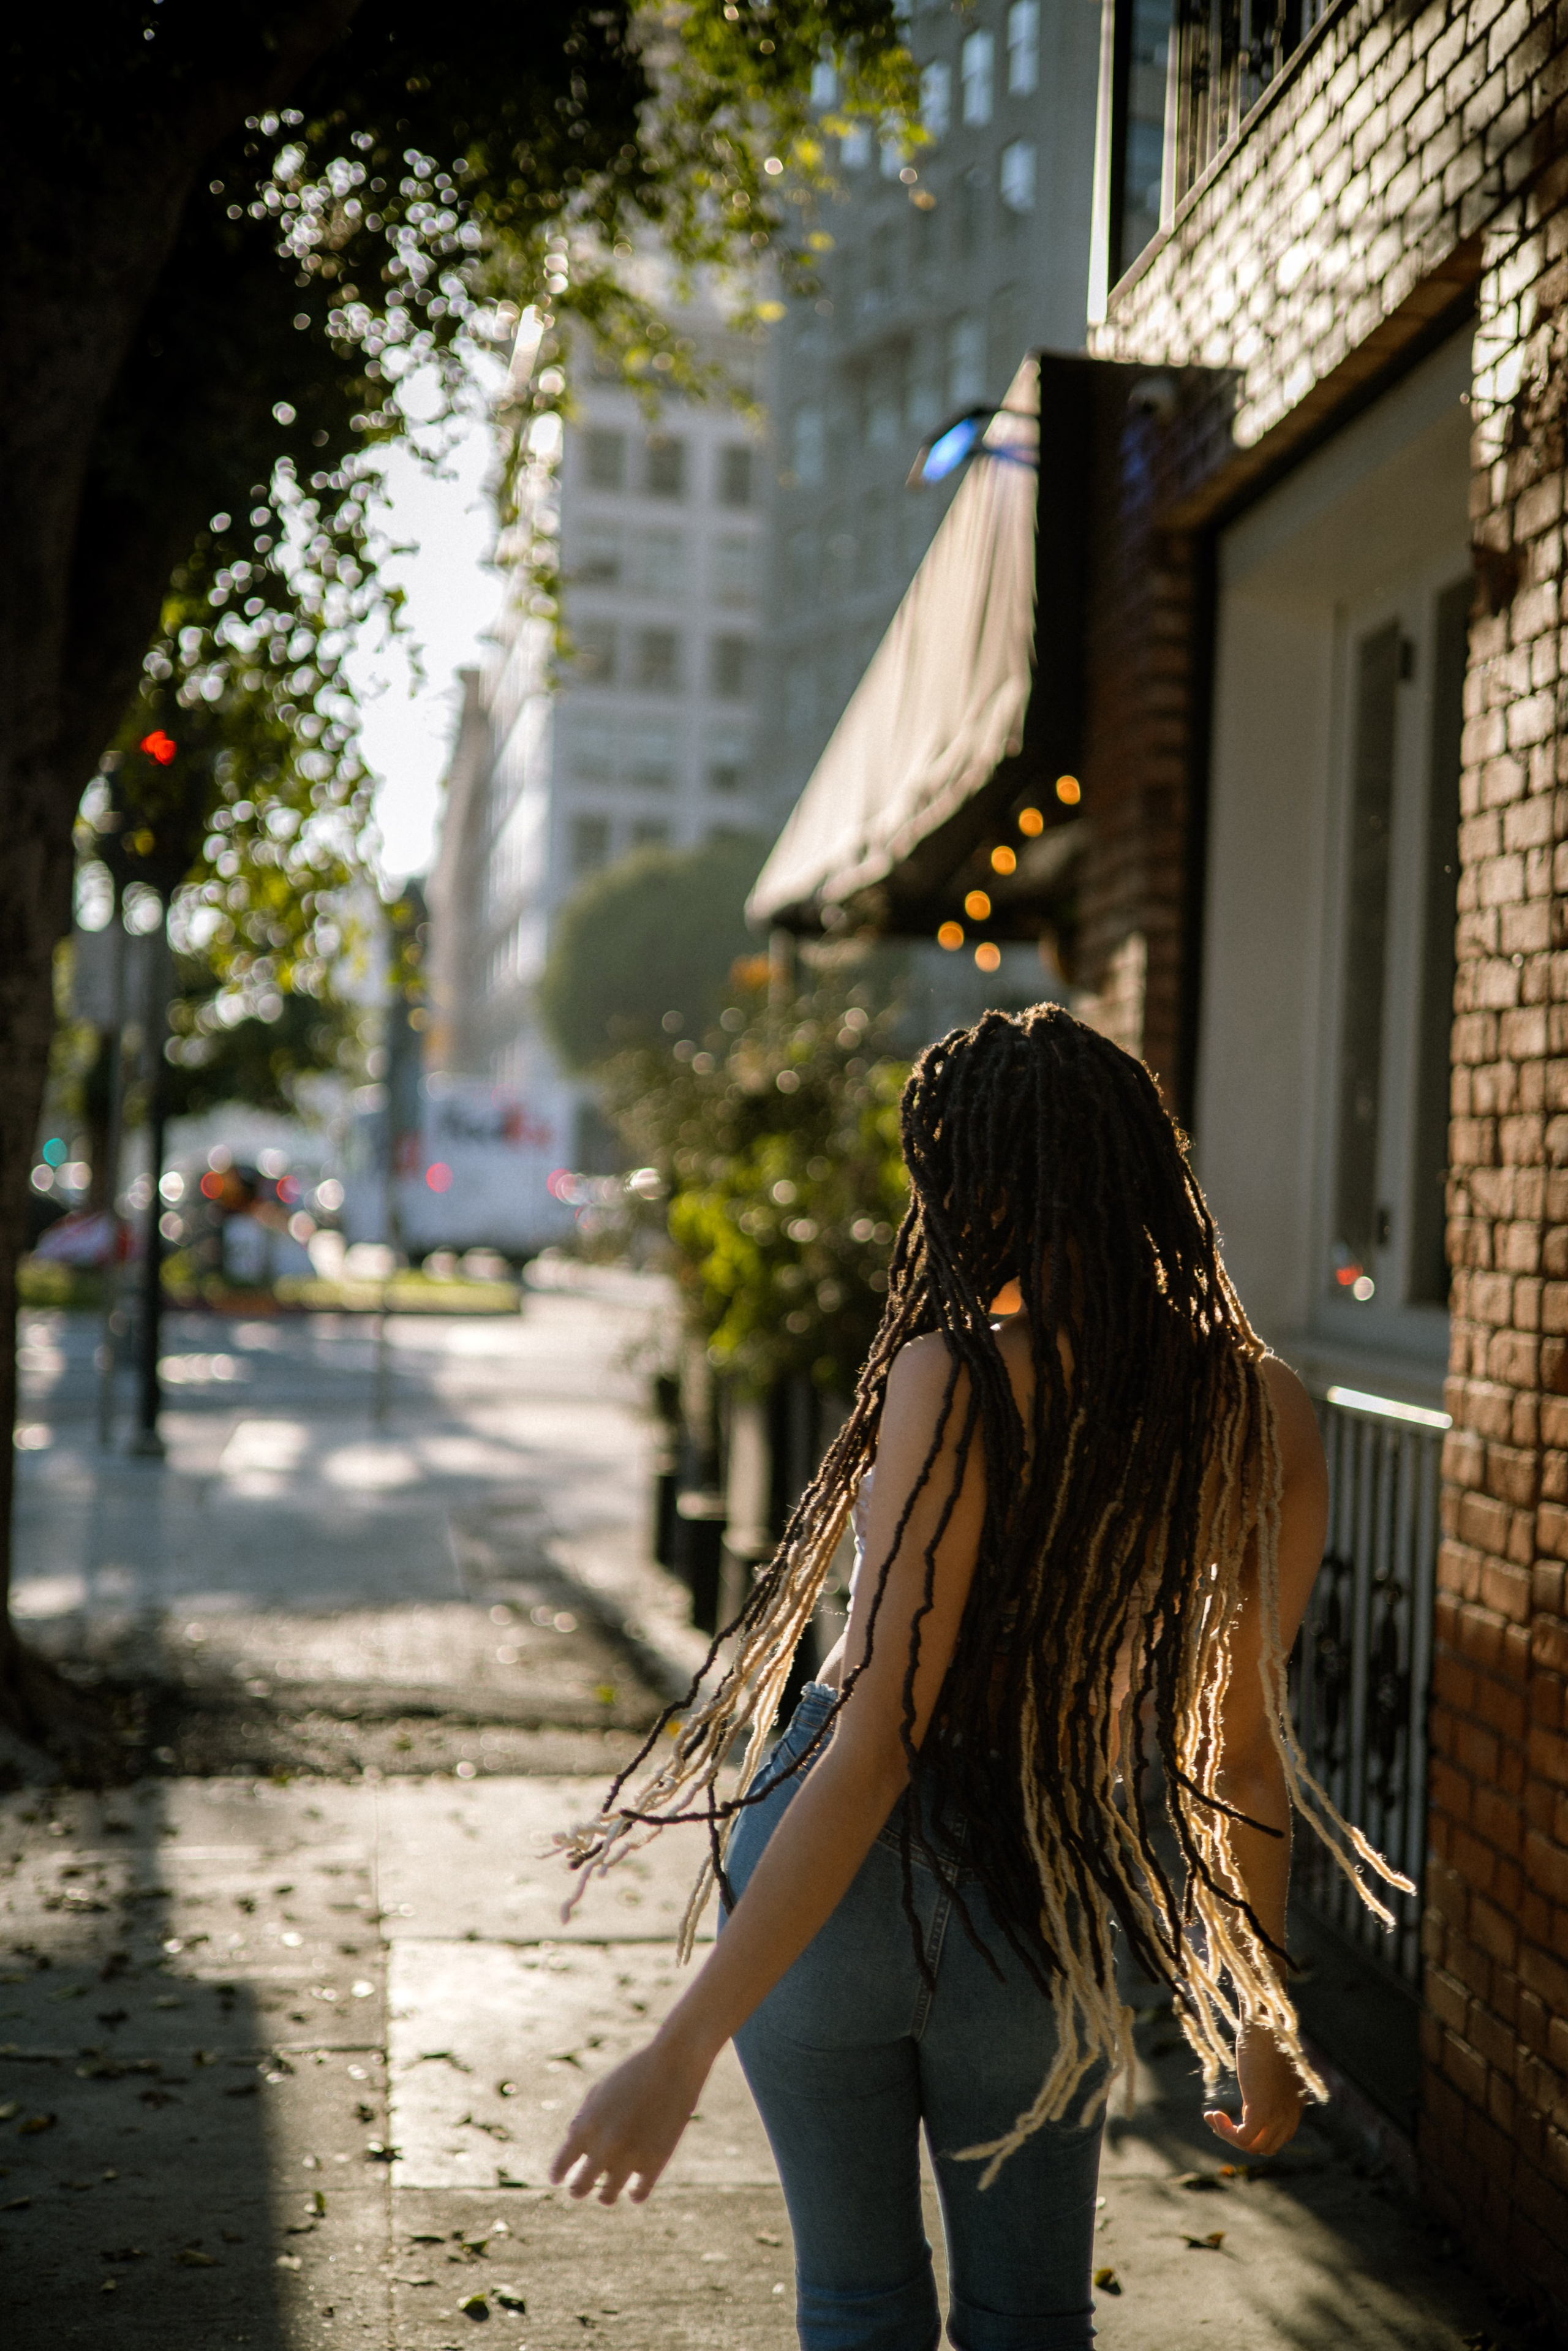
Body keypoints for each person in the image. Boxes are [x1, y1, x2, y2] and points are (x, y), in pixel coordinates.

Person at [552, 1005, 1407, 2351]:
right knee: (1026, 2319)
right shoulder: (1259, 1410)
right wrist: (1260, 2011)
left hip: (835, 1902)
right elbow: (1235, 1754)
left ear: (975, 1190)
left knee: (854, 2308)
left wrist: (681, 2045)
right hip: (1041, 1903)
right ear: (1148, 1179)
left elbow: (876, 1739)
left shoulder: (950, 1377)